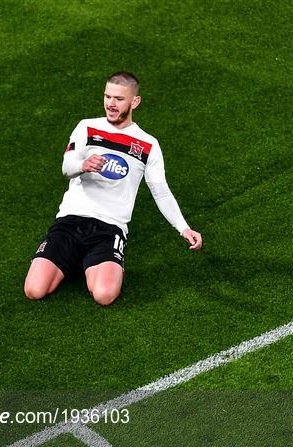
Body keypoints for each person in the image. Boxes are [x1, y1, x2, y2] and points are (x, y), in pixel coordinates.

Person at [24, 72, 202, 305]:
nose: (111, 104)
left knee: (104, 295)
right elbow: (67, 167)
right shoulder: (87, 127)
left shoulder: (148, 144)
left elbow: (160, 190)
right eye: (107, 96)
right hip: (69, 222)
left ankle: (101, 265)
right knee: (34, 290)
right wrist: (83, 165)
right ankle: (78, 260)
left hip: (109, 229)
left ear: (134, 102)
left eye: (118, 99)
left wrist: (183, 228)